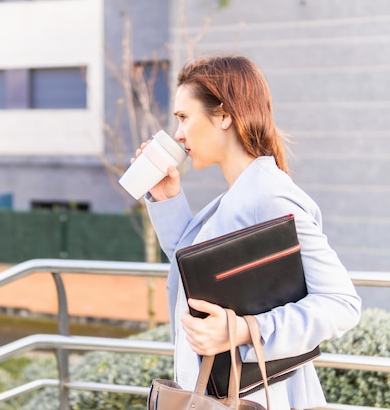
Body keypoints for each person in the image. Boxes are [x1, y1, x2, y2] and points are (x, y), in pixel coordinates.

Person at [135, 54, 361, 409]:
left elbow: (341, 303)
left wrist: (242, 330)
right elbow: (195, 271)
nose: (177, 134)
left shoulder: (268, 194)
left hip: (260, 396)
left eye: (183, 117)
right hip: (226, 392)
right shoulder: (238, 194)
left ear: (224, 115)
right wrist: (167, 199)